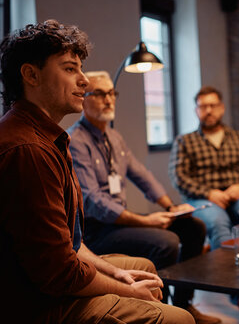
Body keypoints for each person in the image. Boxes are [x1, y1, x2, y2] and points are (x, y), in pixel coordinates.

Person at [0, 20, 194, 323]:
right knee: (179, 319)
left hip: (55, 273)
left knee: (143, 268)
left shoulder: (50, 137)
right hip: (35, 303)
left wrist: (117, 273)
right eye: (69, 69)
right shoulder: (29, 150)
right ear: (31, 75)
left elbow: (68, 243)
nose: (84, 82)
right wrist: (128, 291)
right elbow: (58, 270)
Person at [67, 71, 220, 324]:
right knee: (166, 242)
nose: (109, 99)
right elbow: (93, 200)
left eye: (111, 93)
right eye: (100, 94)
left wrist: (171, 207)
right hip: (98, 230)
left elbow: (142, 176)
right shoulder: (76, 140)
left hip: (122, 221)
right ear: (84, 98)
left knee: (193, 226)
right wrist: (146, 221)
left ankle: (183, 303)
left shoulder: (114, 138)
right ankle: (155, 308)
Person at [169, 86, 239, 251]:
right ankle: (228, 271)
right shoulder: (184, 141)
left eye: (213, 105)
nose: (208, 110)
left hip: (237, 195)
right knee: (217, 221)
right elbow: (179, 178)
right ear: (196, 110)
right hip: (202, 199)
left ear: (222, 108)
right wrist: (208, 193)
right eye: (203, 106)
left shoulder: (238, 137)